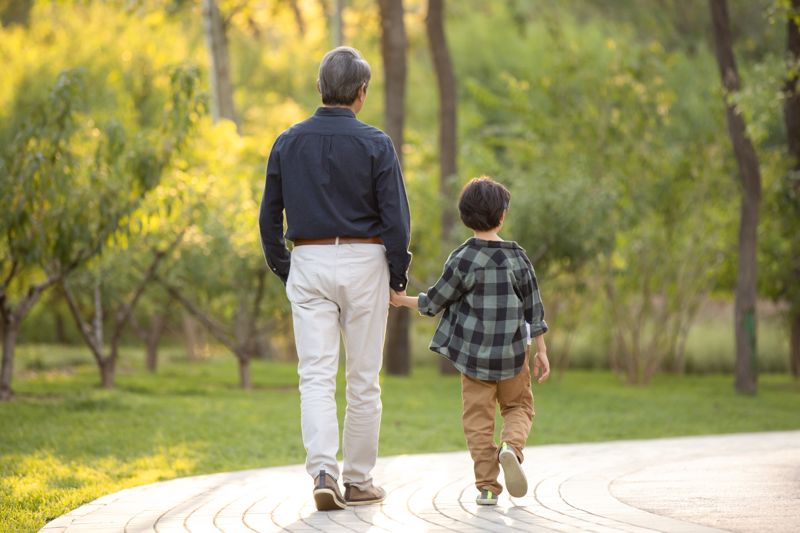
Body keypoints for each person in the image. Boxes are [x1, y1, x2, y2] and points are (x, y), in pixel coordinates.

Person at [259, 46, 411, 511]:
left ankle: (323, 469)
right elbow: (396, 221)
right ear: (361, 93)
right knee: (364, 378)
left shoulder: (287, 142)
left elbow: (269, 218)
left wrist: (288, 269)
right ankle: (359, 481)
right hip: (366, 263)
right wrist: (397, 276)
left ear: (319, 88)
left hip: (308, 261)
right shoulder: (377, 143)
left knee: (316, 377)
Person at [390, 176, 550, 506]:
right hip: (514, 355)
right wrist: (542, 351)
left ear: (465, 216)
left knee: (478, 422)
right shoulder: (517, 258)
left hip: (473, 359)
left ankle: (488, 487)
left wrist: (400, 299)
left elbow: (435, 301)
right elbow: (535, 309)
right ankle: (511, 448)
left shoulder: (462, 258)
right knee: (519, 407)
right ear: (502, 216)